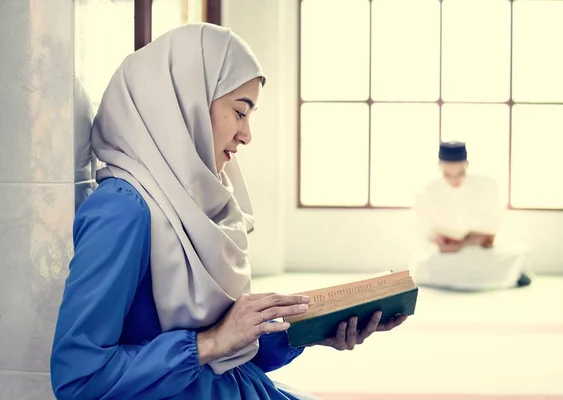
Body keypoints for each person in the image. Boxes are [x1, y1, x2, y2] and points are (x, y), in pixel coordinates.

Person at [50, 23, 407, 400]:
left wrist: (308, 330)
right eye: (240, 112)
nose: (246, 134)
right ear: (185, 103)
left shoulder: (199, 201)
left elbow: (228, 358)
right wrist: (210, 342)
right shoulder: (123, 210)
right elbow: (79, 380)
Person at [409, 141, 532, 291]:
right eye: (448, 175)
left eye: (459, 175)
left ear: (466, 164)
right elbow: (423, 226)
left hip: (479, 248)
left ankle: (508, 274)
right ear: (440, 166)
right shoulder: (428, 190)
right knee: (422, 264)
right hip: (446, 253)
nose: (454, 181)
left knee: (512, 255)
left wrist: (467, 241)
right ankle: (504, 277)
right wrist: (439, 241)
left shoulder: (487, 185)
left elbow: (495, 223)